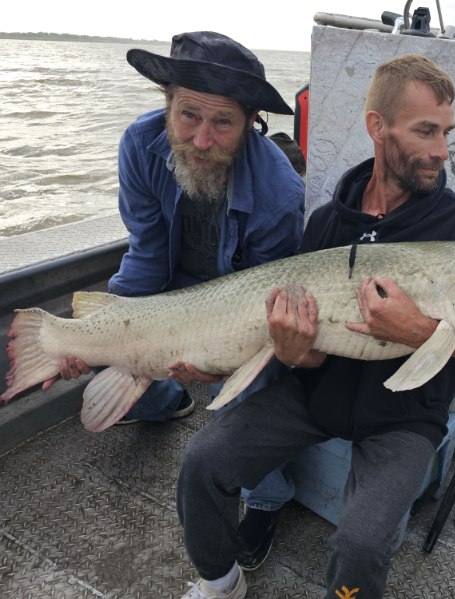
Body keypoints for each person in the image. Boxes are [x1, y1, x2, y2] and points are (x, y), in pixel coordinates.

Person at [175, 54, 455, 599]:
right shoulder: (327, 222)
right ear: (377, 126)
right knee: (202, 462)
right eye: (425, 131)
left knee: (361, 543)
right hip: (314, 392)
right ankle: (220, 580)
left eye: (446, 132)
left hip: (405, 416)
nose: (442, 151)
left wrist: (419, 331)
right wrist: (292, 351)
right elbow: (308, 356)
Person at [43, 31, 306, 573]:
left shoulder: (280, 193)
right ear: (167, 102)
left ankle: (265, 499)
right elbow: (144, 252)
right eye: (188, 116)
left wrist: (219, 363)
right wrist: (98, 338)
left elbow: (264, 306)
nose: (202, 139)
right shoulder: (140, 145)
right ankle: (166, 400)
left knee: (251, 393)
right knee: (111, 364)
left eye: (223, 123)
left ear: (249, 122)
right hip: (167, 285)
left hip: (243, 302)